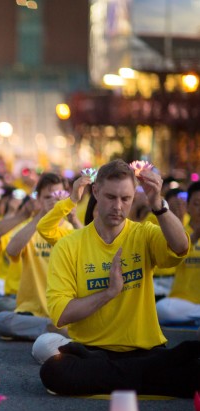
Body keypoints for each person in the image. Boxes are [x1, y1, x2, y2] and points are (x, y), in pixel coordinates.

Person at [37, 159, 198, 397]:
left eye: (126, 199)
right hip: (93, 354)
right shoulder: (69, 245)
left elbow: (181, 246)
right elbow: (61, 314)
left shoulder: (144, 233)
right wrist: (108, 293)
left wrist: (158, 204)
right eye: (111, 197)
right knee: (54, 370)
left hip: (145, 351)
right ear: (96, 191)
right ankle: (142, 379)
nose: (118, 206)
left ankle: (124, 377)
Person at [0, 173, 74, 341]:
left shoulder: (72, 230)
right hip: (31, 310)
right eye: (47, 197)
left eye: (59, 196)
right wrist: (41, 216)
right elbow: (12, 251)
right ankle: (48, 329)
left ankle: (46, 330)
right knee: (0, 321)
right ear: (39, 200)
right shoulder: (29, 228)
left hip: (61, 312)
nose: (53, 201)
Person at [155, 181, 200, 325]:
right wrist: (194, 237)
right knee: (161, 309)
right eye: (197, 204)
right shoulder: (178, 231)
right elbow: (171, 258)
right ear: (187, 206)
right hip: (181, 301)